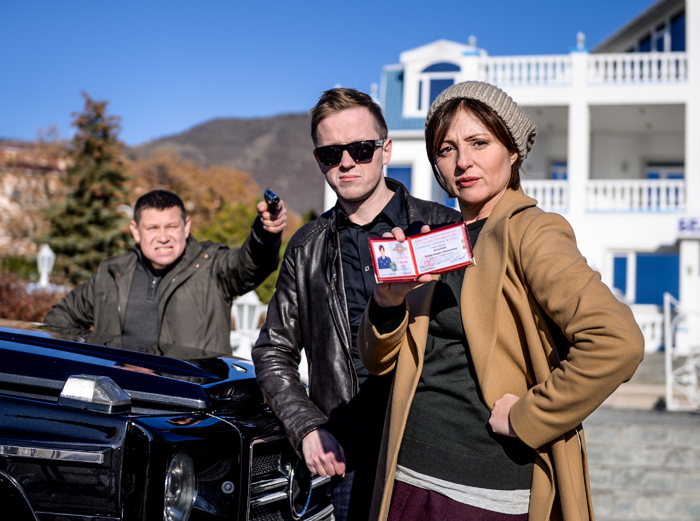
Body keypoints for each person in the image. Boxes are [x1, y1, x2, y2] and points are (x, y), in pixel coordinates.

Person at [358, 81, 645, 521]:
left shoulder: (532, 231)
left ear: (512, 152)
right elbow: (379, 362)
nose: (463, 161)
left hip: (480, 490)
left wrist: (528, 416)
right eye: (447, 149)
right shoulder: (438, 241)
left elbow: (618, 341)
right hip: (406, 474)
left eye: (479, 143)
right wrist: (387, 301)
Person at [251, 88, 460, 521]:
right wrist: (306, 426)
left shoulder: (443, 228)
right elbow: (273, 350)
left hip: (431, 455)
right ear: (319, 161)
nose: (346, 162)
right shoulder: (305, 247)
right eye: (331, 154)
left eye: (361, 149)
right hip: (346, 461)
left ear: (386, 150)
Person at [44, 189, 286, 358]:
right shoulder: (111, 273)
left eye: (171, 226)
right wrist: (95, 358)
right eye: (152, 228)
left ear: (186, 226)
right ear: (135, 231)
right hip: (118, 403)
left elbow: (250, 264)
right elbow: (58, 322)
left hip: (190, 407)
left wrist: (264, 234)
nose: (163, 237)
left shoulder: (213, 265)